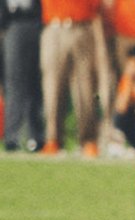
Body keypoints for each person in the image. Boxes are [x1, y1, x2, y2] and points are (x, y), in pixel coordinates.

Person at [39, 0, 102, 157]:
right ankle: (52, 139)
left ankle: (88, 140)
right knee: (52, 87)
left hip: (81, 26)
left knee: (85, 88)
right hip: (54, 27)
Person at [1, 0, 45, 153]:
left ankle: (36, 137)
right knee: (14, 84)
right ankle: (12, 137)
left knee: (35, 86)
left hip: (38, 25)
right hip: (13, 25)